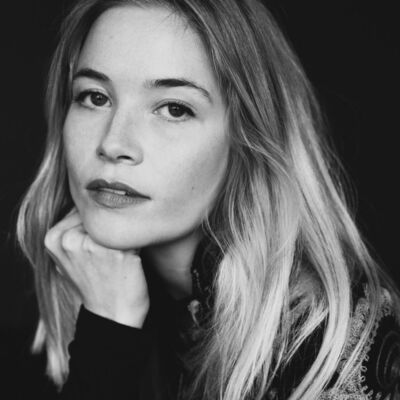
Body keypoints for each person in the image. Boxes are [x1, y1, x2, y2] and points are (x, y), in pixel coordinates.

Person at [15, 0, 400, 398]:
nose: (113, 143)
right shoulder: (84, 300)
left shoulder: (331, 337)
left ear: (246, 138)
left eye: (174, 109)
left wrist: (109, 339)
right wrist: (110, 327)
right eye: (95, 97)